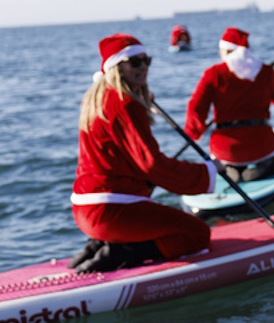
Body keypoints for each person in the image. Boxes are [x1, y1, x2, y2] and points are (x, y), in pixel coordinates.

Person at [70, 34, 217, 273]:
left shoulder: (97, 100)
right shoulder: (125, 105)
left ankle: (98, 245)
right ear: (117, 67)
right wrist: (208, 172)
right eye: (135, 62)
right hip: (110, 211)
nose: (144, 67)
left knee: (146, 185)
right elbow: (152, 165)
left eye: (146, 60)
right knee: (197, 233)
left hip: (85, 209)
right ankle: (119, 252)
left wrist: (141, 100)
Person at [184, 27, 274, 183]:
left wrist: (195, 132)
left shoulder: (213, 73)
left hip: (225, 150)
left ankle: (232, 170)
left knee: (227, 161)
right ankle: (255, 170)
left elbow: (195, 108)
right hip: (262, 146)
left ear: (226, 52)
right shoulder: (265, 71)